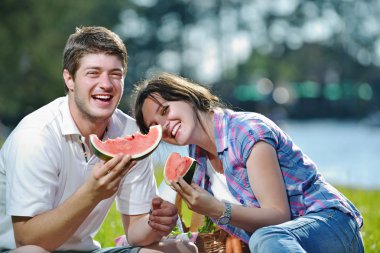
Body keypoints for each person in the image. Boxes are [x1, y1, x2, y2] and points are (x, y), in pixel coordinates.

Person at [0, 27, 197, 253]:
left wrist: (156, 223)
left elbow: (135, 232)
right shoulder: (35, 136)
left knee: (182, 250)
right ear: (69, 79)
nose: (106, 84)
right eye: (93, 73)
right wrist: (92, 193)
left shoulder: (130, 133)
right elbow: (27, 241)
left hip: (87, 251)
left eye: (115, 74)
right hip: (19, 250)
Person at [132, 72, 365, 253]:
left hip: (331, 226)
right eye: (155, 126)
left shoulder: (247, 131)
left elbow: (278, 215)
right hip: (280, 244)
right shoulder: (198, 158)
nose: (164, 125)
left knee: (266, 238)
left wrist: (215, 209)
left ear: (187, 97)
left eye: (165, 110)